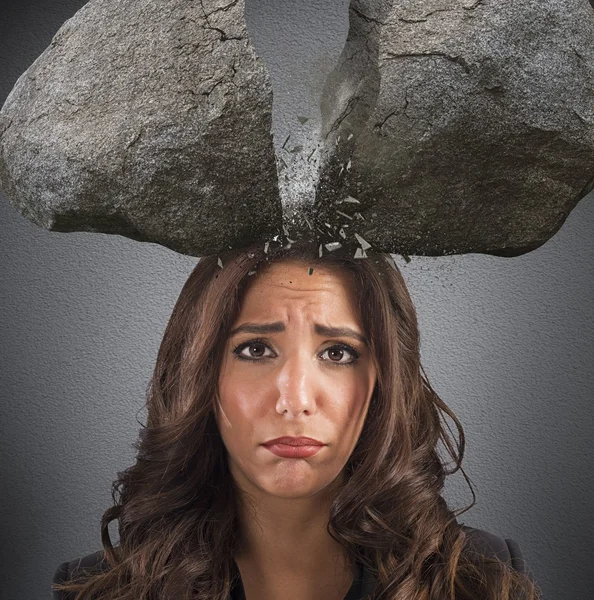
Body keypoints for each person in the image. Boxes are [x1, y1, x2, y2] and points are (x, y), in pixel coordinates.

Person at [51, 239, 542, 600]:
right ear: (199, 374)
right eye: (256, 349)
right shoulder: (96, 591)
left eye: (337, 352)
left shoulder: (480, 581)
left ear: (383, 381)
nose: (295, 400)